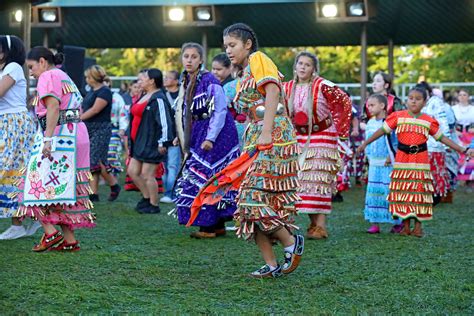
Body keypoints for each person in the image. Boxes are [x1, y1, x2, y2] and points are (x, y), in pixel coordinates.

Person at [223, 23, 304, 278]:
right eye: (225, 46)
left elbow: (272, 91)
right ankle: (271, 265)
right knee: (250, 203)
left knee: (250, 197)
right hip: (256, 134)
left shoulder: (258, 58)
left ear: (247, 44)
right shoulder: (242, 72)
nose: (228, 50)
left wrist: (267, 131)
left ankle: (291, 242)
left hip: (274, 133)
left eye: (232, 45)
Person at [357, 87, 470, 237]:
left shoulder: (429, 120)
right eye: (411, 98)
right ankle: (405, 226)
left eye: (418, 99)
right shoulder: (397, 116)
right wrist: (365, 143)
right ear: (406, 100)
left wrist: (461, 149)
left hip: (420, 160)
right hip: (402, 160)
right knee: (403, 192)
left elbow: (442, 138)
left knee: (419, 192)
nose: (414, 101)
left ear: (424, 102)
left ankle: (418, 226)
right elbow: (381, 131)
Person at [15, 46, 95, 251]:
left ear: (42, 61)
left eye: (31, 67)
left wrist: (47, 140)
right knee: (63, 186)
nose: (30, 72)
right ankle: (69, 240)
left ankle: (50, 233)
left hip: (60, 135)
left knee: (31, 185)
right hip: (76, 133)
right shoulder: (63, 75)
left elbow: (52, 107)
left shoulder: (48, 75)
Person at [283, 51, 352, 240]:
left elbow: (344, 101)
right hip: (297, 137)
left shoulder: (323, 85)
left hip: (322, 135)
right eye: (300, 64)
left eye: (307, 64)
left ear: (314, 69)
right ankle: (310, 224)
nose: (303, 67)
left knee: (317, 181)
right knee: (299, 182)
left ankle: (320, 226)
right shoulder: (287, 87)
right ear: (295, 66)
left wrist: (341, 130)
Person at [174, 42, 240, 238]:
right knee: (208, 176)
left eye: (194, 57)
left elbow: (219, 110)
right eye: (186, 56)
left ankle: (208, 227)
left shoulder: (209, 79)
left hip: (218, 134)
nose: (189, 60)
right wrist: (181, 135)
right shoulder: (186, 80)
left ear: (201, 60)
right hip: (198, 131)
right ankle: (217, 225)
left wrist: (210, 138)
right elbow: (184, 111)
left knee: (207, 177)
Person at [0, 35, 38, 240]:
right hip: (7, 123)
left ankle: (19, 223)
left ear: (7, 51)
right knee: (13, 171)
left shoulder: (13, 67)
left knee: (12, 170)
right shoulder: (5, 69)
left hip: (14, 124)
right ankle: (21, 221)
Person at [127, 68, 175, 214]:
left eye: (144, 78)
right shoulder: (144, 94)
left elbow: (165, 122)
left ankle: (154, 204)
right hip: (139, 141)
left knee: (147, 174)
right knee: (132, 171)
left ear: (152, 81)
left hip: (152, 142)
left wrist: (163, 142)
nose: (140, 81)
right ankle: (146, 198)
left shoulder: (159, 98)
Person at [80, 65, 120, 202]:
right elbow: (85, 107)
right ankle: (93, 193)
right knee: (95, 162)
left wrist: (79, 119)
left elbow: (95, 110)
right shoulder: (92, 91)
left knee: (95, 160)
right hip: (89, 128)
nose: (86, 79)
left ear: (93, 78)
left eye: (87, 77)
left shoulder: (105, 92)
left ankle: (114, 184)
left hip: (101, 129)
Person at [363, 94, 401, 233]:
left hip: (388, 163)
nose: (369, 108)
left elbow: (395, 142)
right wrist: (368, 156)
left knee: (389, 192)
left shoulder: (390, 122)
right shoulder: (370, 123)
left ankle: (397, 222)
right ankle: (375, 223)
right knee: (374, 193)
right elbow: (368, 141)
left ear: (382, 106)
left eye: (372, 105)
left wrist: (392, 155)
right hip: (374, 163)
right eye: (368, 105)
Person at [417, 82, 451, 204]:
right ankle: (423, 195)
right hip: (420, 144)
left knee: (434, 171)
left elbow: (443, 122)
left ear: (428, 92)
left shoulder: (435, 103)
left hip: (434, 144)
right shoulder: (419, 103)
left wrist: (447, 143)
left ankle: (434, 196)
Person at [160, 70, 181, 204]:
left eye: (168, 78)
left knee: (173, 166)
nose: (165, 80)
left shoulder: (182, 94)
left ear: (176, 81)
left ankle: (170, 193)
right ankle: (168, 191)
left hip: (177, 136)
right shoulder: (162, 94)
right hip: (164, 136)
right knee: (164, 166)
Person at [104, 77, 128, 182]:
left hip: (114, 128)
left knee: (112, 153)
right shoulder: (95, 95)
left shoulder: (116, 97)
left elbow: (123, 112)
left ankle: (114, 176)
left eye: (105, 82)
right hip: (99, 128)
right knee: (100, 153)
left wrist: (122, 128)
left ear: (109, 83)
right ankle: (103, 175)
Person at [452, 88, 474, 187]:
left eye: (464, 95)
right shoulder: (453, 109)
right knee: (459, 157)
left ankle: (470, 179)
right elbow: (449, 124)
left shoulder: (473, 109)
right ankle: (458, 178)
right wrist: (455, 132)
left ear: (468, 97)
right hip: (458, 136)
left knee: (470, 157)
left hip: (471, 136)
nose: (462, 97)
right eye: (460, 95)